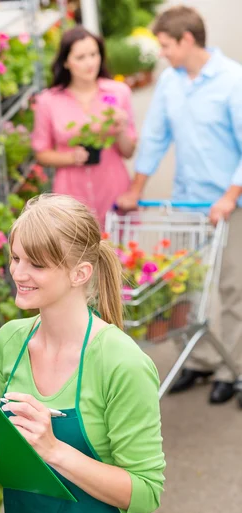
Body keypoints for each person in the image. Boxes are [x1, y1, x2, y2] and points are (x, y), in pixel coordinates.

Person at [0, 194, 165, 513]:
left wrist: (53, 449)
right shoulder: (9, 342)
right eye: (15, 258)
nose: (18, 272)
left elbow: (145, 491)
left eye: (37, 264)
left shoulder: (121, 362)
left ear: (80, 273)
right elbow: (24, 462)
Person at [117, 5, 242, 404]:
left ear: (187, 40)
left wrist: (230, 196)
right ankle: (201, 360)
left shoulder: (232, 80)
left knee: (232, 289)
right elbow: (154, 137)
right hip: (186, 203)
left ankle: (233, 368)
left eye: (167, 45)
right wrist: (136, 188)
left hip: (227, 205)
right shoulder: (171, 82)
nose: (163, 53)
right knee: (183, 287)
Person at [31, 26, 137, 228]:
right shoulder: (48, 101)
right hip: (70, 194)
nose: (90, 63)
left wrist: (121, 128)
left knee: (120, 252)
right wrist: (70, 157)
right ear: (66, 62)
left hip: (113, 187)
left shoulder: (118, 92)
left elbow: (129, 151)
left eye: (94, 54)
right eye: (80, 57)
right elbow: (41, 153)